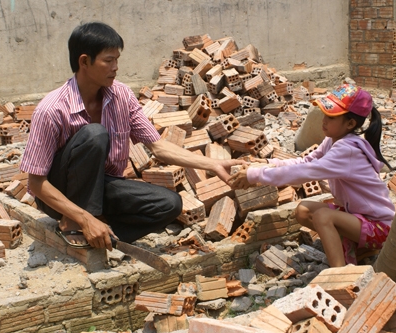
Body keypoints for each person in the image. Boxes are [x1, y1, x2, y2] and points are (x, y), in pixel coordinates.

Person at [20, 22, 244, 251]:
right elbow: (36, 184)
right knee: (95, 134)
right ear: (84, 61)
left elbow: (158, 147)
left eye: (117, 59)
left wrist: (213, 164)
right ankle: (76, 221)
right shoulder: (51, 109)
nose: (116, 67)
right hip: (61, 193)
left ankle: (103, 233)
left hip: (101, 186)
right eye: (108, 60)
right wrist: (84, 217)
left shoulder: (122, 96)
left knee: (170, 204)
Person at [228, 84, 395, 267]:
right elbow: (305, 162)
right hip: (357, 218)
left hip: (380, 227)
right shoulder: (332, 140)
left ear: (350, 124)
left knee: (324, 216)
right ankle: (359, 248)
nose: (323, 120)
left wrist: (255, 175)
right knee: (304, 210)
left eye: (331, 117)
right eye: (325, 114)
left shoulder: (347, 150)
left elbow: (305, 173)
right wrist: (268, 164)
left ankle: (341, 275)